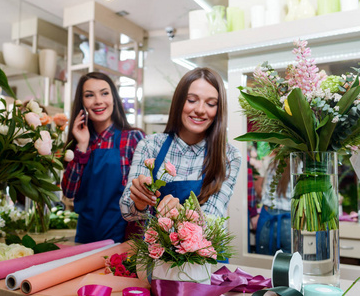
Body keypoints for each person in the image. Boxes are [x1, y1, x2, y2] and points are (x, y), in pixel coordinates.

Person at [120, 67, 242, 221]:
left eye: (211, 104)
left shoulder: (229, 156)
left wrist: (181, 215)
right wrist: (138, 201)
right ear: (179, 102)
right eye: (191, 100)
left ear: (219, 110)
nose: (200, 110)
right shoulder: (150, 146)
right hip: (153, 245)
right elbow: (127, 212)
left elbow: (213, 220)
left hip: (202, 245)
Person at [61, 72, 145, 243]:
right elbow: (69, 191)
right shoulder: (79, 143)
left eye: (104, 93)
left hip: (123, 240)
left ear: (114, 98)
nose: (98, 100)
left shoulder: (132, 138)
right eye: (89, 95)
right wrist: (82, 146)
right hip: (85, 239)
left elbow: (144, 194)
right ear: (82, 102)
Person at [255, 155, 292, 255]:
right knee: (288, 264)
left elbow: (257, 185)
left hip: (267, 216)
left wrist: (263, 196)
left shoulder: (268, 160)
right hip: (289, 221)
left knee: (264, 262)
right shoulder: (299, 162)